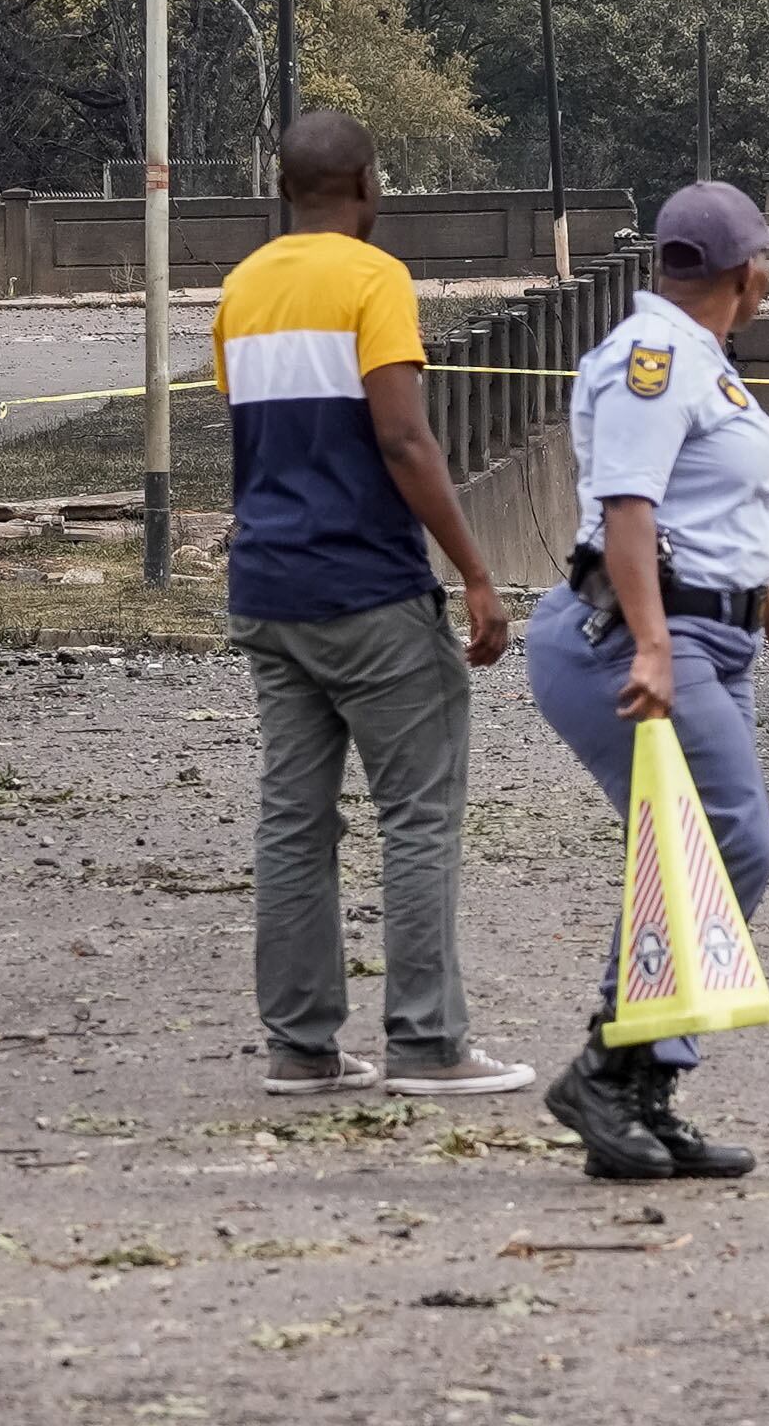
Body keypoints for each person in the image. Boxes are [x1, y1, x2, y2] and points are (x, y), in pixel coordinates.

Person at [215, 111, 531, 1100]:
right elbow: (402, 438)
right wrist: (476, 569)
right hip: (368, 590)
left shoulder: (242, 288)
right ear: (366, 184)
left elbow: (257, 442)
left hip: (269, 585)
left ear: (285, 188)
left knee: (294, 821)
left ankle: (301, 1045)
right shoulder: (373, 280)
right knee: (419, 813)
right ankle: (429, 1039)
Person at [529, 182, 769, 1182]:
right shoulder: (653, 363)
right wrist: (657, 646)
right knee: (727, 840)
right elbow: (629, 509)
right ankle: (611, 1065)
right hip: (629, 636)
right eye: (766, 260)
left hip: (719, 636)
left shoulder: (705, 364)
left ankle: (646, 1089)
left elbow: (714, 529)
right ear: (746, 272)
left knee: (687, 857)